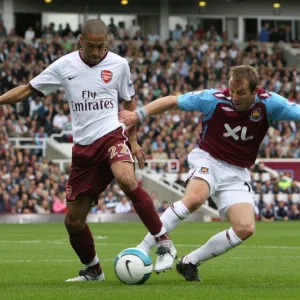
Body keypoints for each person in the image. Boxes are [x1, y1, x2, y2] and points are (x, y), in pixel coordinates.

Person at [0, 19, 176, 282]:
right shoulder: (64, 65)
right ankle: (94, 270)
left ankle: (164, 242)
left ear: (107, 42)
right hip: (83, 149)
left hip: (112, 136)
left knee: (127, 179)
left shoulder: (119, 65)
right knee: (73, 222)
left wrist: (134, 139)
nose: (95, 52)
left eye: (100, 46)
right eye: (91, 46)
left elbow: (129, 101)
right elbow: (27, 89)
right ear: (81, 41)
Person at [119, 64, 300, 282]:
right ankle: (145, 248)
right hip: (208, 159)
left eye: (241, 92)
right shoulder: (213, 98)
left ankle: (189, 262)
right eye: (232, 90)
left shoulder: (271, 104)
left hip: (237, 171)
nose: (234, 96)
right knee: (194, 199)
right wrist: (137, 114)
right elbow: (172, 100)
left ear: (255, 90)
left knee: (245, 228)